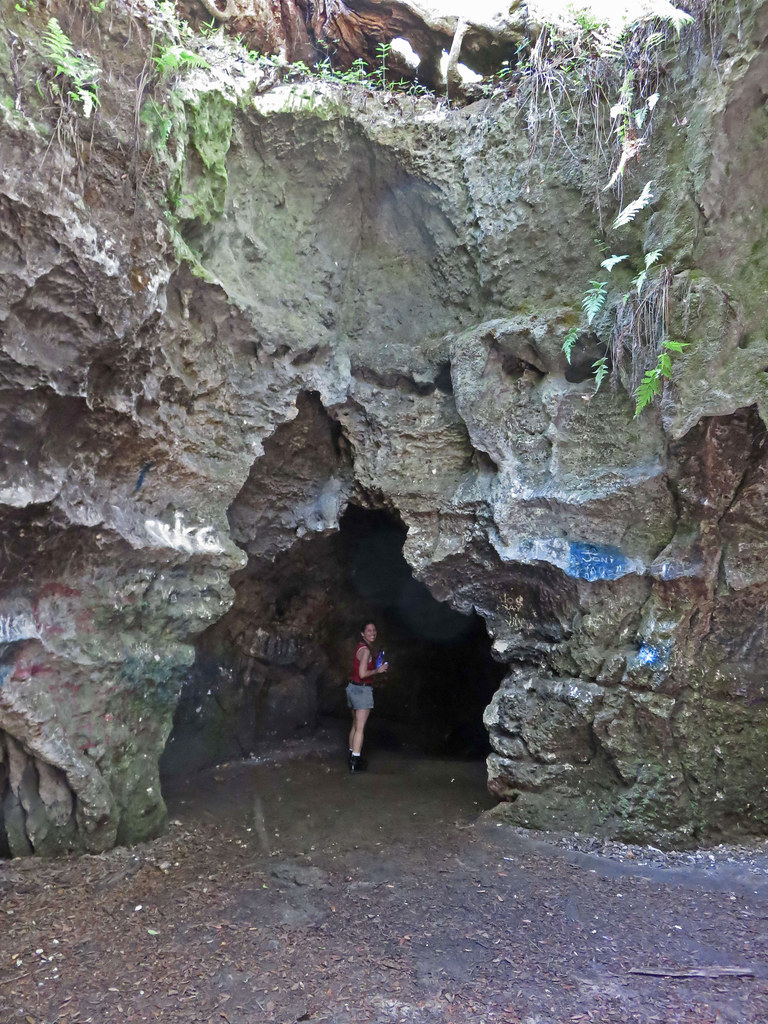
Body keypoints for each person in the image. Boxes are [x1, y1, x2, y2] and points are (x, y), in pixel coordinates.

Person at [345, 622, 388, 772]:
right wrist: (378, 670)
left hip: (352, 688)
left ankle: (351, 756)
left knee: (355, 725)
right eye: (369, 630)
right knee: (360, 728)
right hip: (361, 691)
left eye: (374, 630)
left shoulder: (360, 647)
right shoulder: (366, 652)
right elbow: (363, 674)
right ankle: (355, 762)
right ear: (362, 633)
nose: (372, 633)